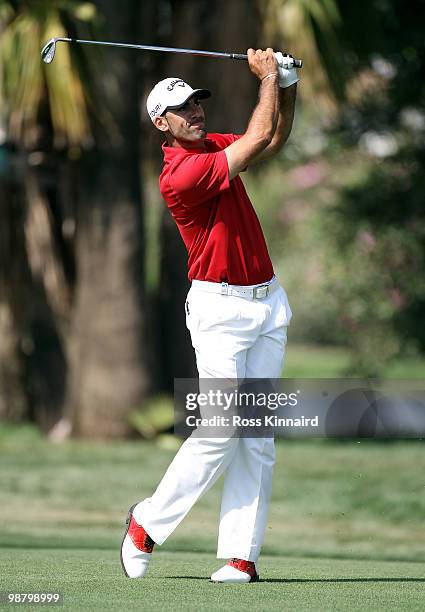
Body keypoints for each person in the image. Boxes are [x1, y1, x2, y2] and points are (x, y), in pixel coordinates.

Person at [120, 48, 298, 583]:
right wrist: (268, 79)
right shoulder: (182, 174)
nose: (195, 112)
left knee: (256, 434)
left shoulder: (210, 144)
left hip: (267, 302)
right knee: (222, 428)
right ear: (161, 123)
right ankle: (145, 524)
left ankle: (241, 557)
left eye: (197, 102)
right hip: (219, 309)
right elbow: (250, 143)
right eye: (183, 108)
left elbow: (271, 137)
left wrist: (286, 85)